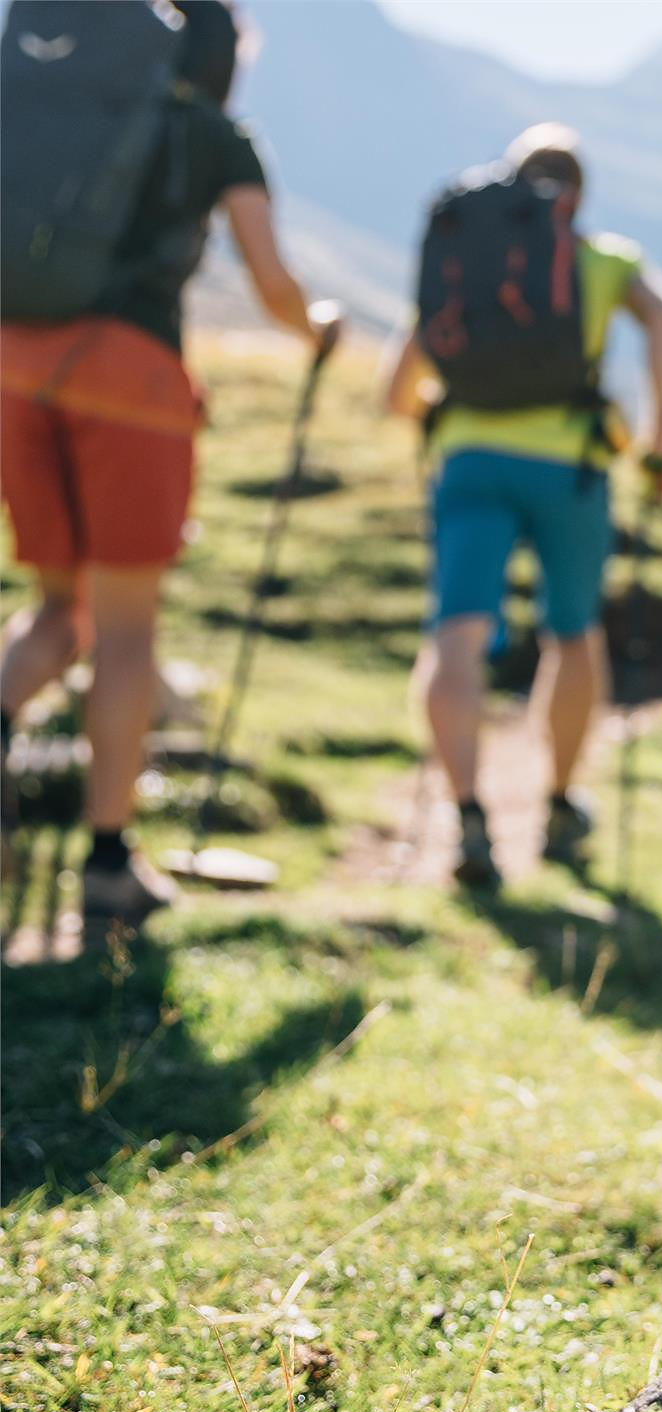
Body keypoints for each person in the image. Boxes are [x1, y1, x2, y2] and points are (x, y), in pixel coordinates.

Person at [0, 0, 342, 931]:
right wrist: (318, 329)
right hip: (131, 382)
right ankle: (109, 868)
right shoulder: (214, 136)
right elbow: (272, 283)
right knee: (125, 630)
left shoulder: (51, 106)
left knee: (54, 609)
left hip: (16, 370)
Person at [382, 123, 662, 890]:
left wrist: (453, 416)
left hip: (471, 464)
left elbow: (396, 390)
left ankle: (467, 816)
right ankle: (556, 804)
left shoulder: (472, 265)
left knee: (457, 632)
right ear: (577, 196)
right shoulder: (606, 261)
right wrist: (660, 440)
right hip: (572, 471)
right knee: (573, 631)